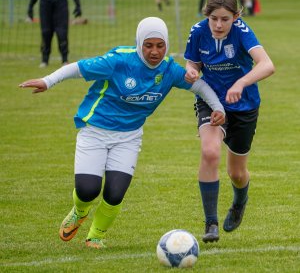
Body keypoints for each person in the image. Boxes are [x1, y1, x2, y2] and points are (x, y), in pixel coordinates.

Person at [19, 17, 225, 249]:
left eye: (160, 45)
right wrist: (48, 81)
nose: (155, 51)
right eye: (148, 45)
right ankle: (80, 210)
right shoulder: (118, 60)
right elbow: (77, 68)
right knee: (88, 190)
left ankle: (96, 236)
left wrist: (218, 108)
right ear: (139, 43)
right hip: (95, 130)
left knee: (115, 192)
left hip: (128, 137)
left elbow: (199, 86)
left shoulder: (169, 70)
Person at [184, 0, 275, 243]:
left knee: (237, 172)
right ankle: (210, 223)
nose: (219, 25)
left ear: (236, 16)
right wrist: (191, 72)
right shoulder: (198, 31)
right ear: (207, 16)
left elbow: (267, 64)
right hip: (211, 102)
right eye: (214, 18)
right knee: (210, 151)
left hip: (244, 107)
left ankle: (239, 201)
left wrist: (240, 83)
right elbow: (192, 65)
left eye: (225, 19)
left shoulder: (242, 31)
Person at [27, 0, 82, 68]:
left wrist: (78, 5)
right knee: (46, 33)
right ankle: (44, 60)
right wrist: (30, 7)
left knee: (62, 33)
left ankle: (65, 59)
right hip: (45, 6)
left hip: (61, 5)